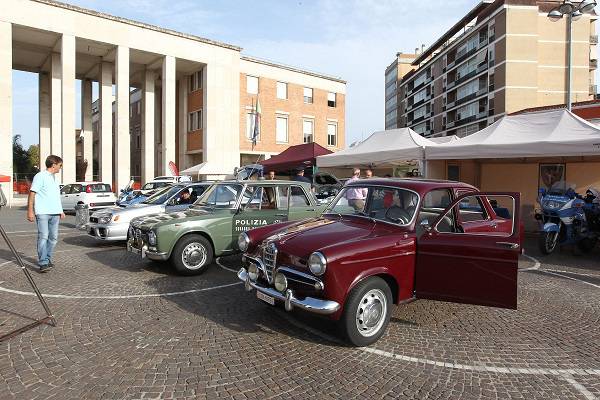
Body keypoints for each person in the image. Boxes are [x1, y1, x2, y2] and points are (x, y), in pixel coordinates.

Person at [27, 155, 65, 272]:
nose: (60, 167)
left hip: (55, 213)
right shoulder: (40, 176)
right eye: (60, 165)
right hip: (43, 212)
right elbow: (32, 193)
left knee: (53, 238)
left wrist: (61, 211)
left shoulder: (54, 178)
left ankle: (47, 259)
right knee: (43, 237)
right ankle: (43, 262)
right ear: (54, 165)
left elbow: (54, 197)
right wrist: (30, 211)